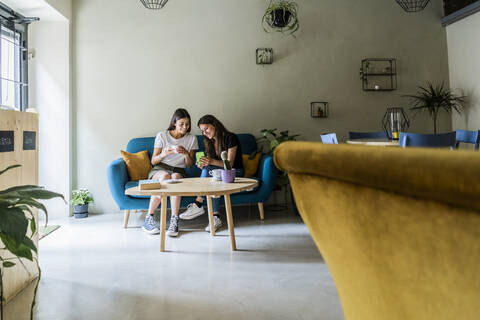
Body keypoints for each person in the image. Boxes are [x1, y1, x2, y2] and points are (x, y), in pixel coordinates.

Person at [179, 115, 244, 232]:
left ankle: (199, 204)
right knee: (210, 175)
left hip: (234, 172)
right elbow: (211, 165)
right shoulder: (209, 142)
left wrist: (211, 162)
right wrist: (203, 164)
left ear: (215, 125)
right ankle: (215, 217)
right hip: (218, 174)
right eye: (202, 131)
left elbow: (229, 164)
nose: (204, 133)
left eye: (206, 129)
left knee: (211, 173)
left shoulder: (230, 137)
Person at [142, 108, 198, 237]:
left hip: (179, 170)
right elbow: (153, 161)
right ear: (174, 123)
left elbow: (189, 165)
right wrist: (163, 154)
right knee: (166, 176)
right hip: (160, 168)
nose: (185, 127)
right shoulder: (162, 135)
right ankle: (148, 219)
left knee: (176, 178)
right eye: (181, 124)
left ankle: (174, 220)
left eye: (187, 124)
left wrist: (186, 154)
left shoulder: (192, 139)